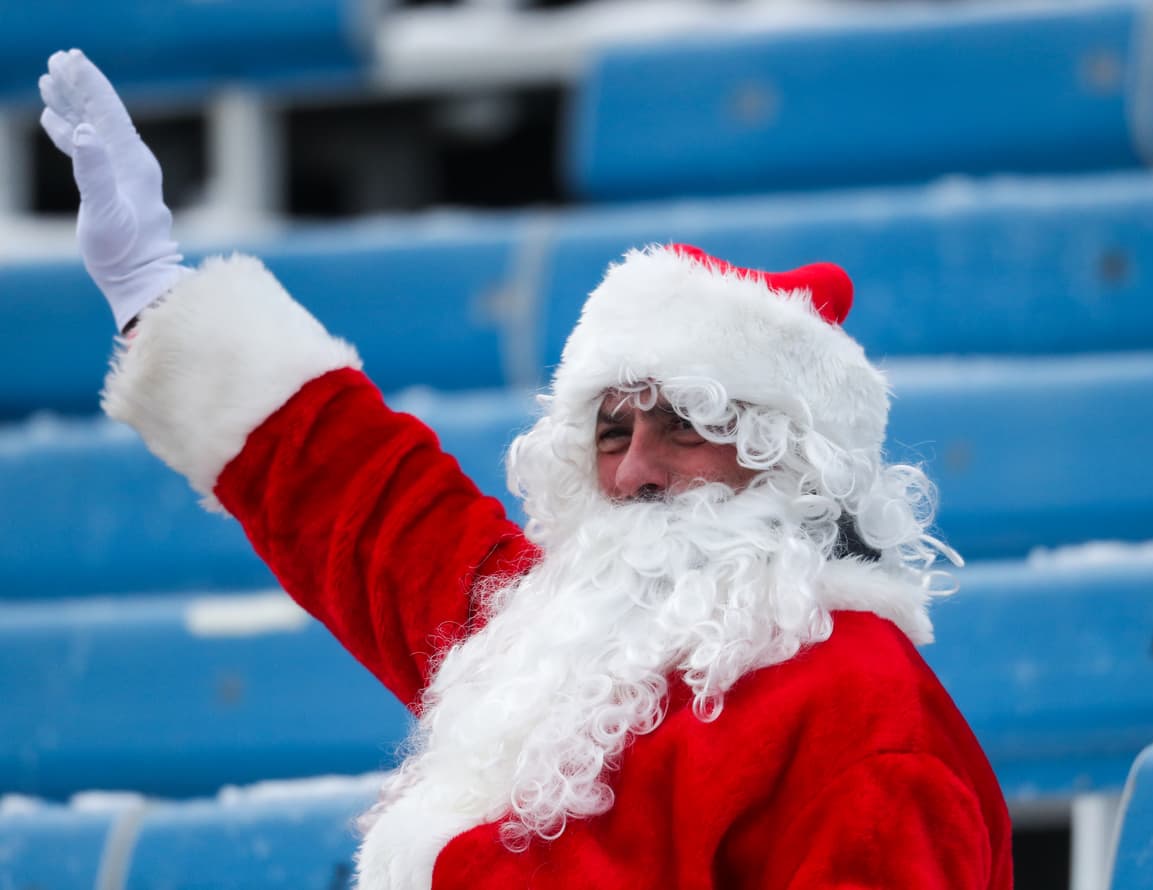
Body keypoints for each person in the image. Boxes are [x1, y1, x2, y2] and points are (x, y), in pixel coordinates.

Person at [39, 49, 1013, 889]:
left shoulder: (865, 716)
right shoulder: (568, 641)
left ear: (788, 462)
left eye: (684, 427)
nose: (634, 471)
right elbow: (376, 517)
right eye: (610, 432)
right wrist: (151, 291)